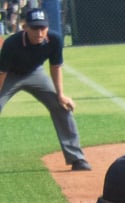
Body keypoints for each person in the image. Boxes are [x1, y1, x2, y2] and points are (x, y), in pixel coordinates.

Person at [0, 7, 90, 171]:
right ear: (25, 27)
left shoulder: (54, 39)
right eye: (35, 27)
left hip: (35, 73)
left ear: (48, 27)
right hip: (10, 75)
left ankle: (77, 158)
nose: (39, 32)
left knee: (61, 106)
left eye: (43, 27)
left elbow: (55, 67)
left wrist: (61, 95)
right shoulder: (12, 43)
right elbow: (2, 73)